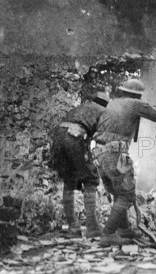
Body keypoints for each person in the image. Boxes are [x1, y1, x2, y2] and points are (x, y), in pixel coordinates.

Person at [93, 78, 156, 246]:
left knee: (118, 193)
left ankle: (124, 229)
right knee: (126, 194)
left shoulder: (112, 103)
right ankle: (108, 233)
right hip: (115, 153)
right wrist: (144, 105)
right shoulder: (135, 103)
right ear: (137, 95)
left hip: (100, 153)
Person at [48, 90, 110, 237]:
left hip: (59, 136)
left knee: (69, 180)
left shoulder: (83, 106)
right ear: (106, 104)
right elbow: (102, 139)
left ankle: (74, 228)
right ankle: (93, 228)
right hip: (75, 137)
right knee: (91, 179)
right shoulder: (104, 112)